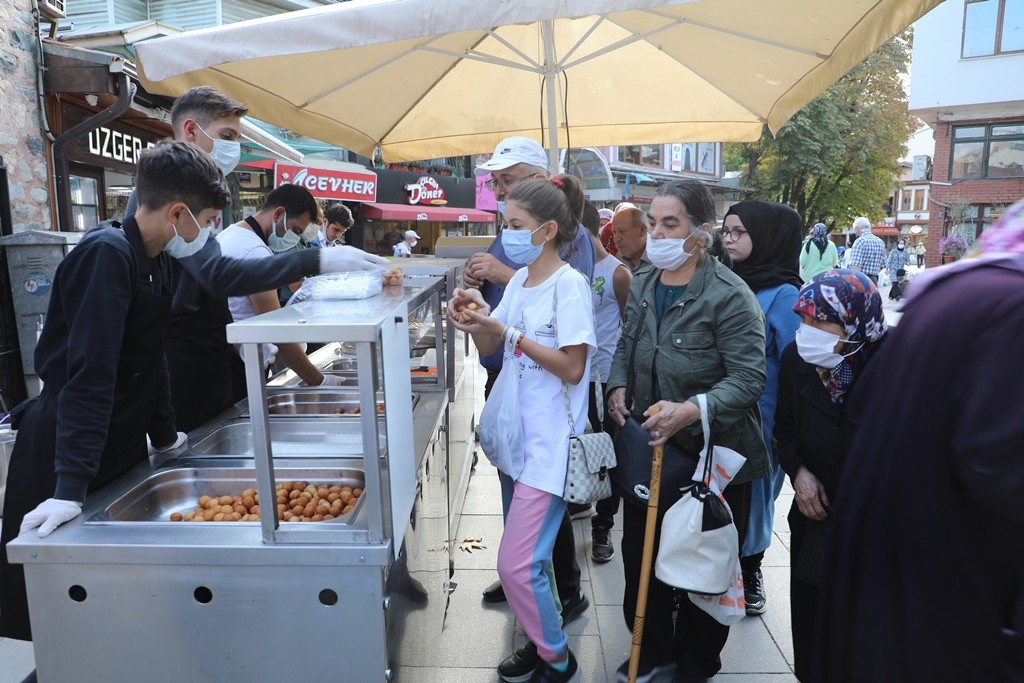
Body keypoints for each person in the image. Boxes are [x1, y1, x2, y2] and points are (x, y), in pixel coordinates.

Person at [0, 141, 230, 647]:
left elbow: (153, 359)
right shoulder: (107, 256)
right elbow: (90, 374)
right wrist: (68, 488)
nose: (207, 232)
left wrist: (167, 438)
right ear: (177, 212)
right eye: (207, 219)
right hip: (66, 448)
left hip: (118, 443)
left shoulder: (161, 259)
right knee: (60, 613)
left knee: (112, 608)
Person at [811, 200, 1024, 683]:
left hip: (890, 588)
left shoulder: (956, 290)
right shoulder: (1013, 307)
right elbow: (1002, 466)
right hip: (951, 609)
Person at [125, 86, 389, 432]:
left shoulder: (191, 199)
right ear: (191, 130)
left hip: (208, 363)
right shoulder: (150, 213)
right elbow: (222, 275)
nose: (233, 148)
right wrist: (317, 262)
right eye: (227, 136)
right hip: (183, 369)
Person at [605, 179, 770, 683]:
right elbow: (625, 344)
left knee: (702, 565)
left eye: (669, 223)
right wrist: (616, 386)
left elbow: (748, 378)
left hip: (712, 457)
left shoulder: (729, 295)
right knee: (643, 556)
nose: (656, 233)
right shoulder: (646, 281)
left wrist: (693, 408)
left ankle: (695, 663)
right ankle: (651, 650)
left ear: (701, 231)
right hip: (650, 448)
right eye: (652, 222)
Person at [449, 174, 596, 683]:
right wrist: (476, 319)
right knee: (532, 562)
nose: (506, 233)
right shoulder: (518, 282)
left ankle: (558, 659)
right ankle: (542, 642)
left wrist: (507, 331)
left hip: (552, 446)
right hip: (516, 441)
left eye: (516, 225)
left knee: (516, 565)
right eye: (503, 223)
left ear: (548, 229)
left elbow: (574, 368)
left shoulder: (569, 285)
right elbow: (493, 351)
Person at [772, 269, 886, 681]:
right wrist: (799, 473)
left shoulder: (891, 366)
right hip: (816, 518)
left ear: (855, 321)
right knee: (813, 630)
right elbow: (783, 429)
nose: (808, 331)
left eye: (822, 321)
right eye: (804, 318)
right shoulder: (795, 359)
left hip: (876, 526)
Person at [721, 200, 804, 616]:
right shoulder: (722, 277)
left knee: (754, 501)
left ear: (767, 238)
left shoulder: (784, 293)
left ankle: (751, 570)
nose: (730, 239)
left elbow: (795, 364)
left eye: (740, 232)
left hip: (762, 421)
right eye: (727, 231)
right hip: (718, 413)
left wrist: (786, 427)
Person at [216, 184, 345, 388]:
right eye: (296, 230)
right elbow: (277, 334)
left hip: (230, 356)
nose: (294, 238)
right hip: (241, 365)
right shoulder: (255, 252)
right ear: (278, 214)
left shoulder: (229, 234)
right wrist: (320, 380)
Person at [581, 202, 631, 563]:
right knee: (581, 448)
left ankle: (604, 522)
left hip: (606, 377)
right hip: (571, 376)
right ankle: (581, 498)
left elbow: (632, 330)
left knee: (609, 451)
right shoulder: (566, 270)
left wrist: (622, 382)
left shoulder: (617, 273)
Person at [844, 217, 886, 284]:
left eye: (855, 229)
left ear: (857, 229)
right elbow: (883, 265)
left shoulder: (860, 241)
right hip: (874, 280)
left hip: (861, 280)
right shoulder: (880, 242)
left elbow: (855, 266)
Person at [611, 207, 650, 272]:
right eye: (614, 232)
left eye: (622, 231)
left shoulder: (660, 259)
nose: (616, 239)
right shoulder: (619, 258)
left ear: (642, 230)